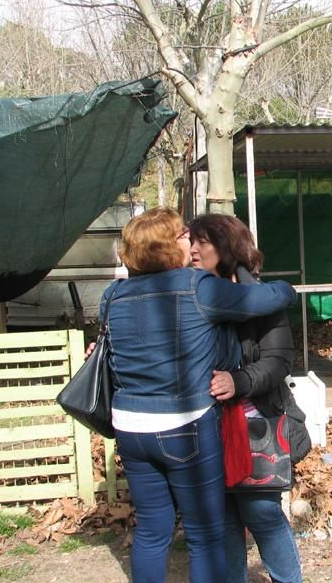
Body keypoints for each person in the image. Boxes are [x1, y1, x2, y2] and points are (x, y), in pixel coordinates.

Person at [102, 207, 297, 583]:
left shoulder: (114, 294)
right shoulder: (196, 287)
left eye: (197, 238)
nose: (188, 241)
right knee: (206, 533)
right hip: (184, 425)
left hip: (129, 427)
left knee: (151, 531)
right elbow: (267, 299)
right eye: (182, 235)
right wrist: (287, 288)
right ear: (165, 247)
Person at [188, 214, 311, 583]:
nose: (193, 249)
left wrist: (239, 381)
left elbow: (278, 361)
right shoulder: (189, 293)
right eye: (190, 241)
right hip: (205, 423)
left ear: (225, 247)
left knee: (261, 512)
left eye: (202, 242)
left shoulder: (259, 297)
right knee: (224, 517)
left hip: (257, 422)